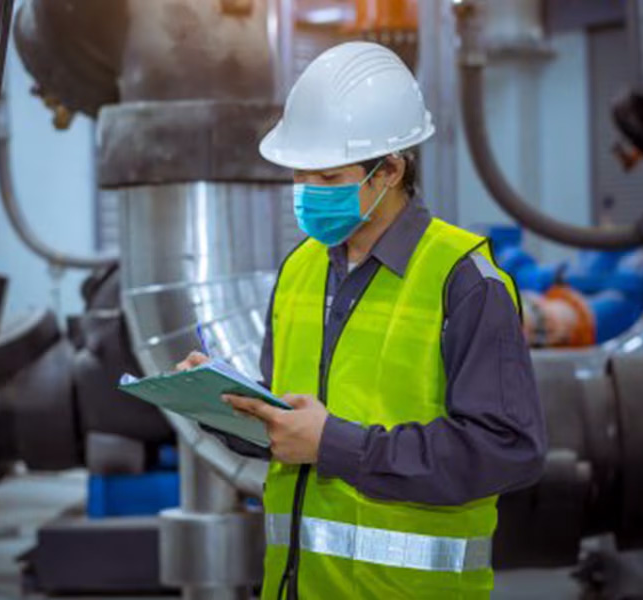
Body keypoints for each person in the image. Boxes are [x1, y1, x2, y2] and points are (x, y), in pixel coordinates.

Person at [177, 41, 546, 599]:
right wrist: (226, 405)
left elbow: (508, 448)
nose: (308, 195)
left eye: (327, 178)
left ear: (391, 169)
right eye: (301, 177)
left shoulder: (463, 280)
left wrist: (335, 444)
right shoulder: (300, 270)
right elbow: (292, 431)